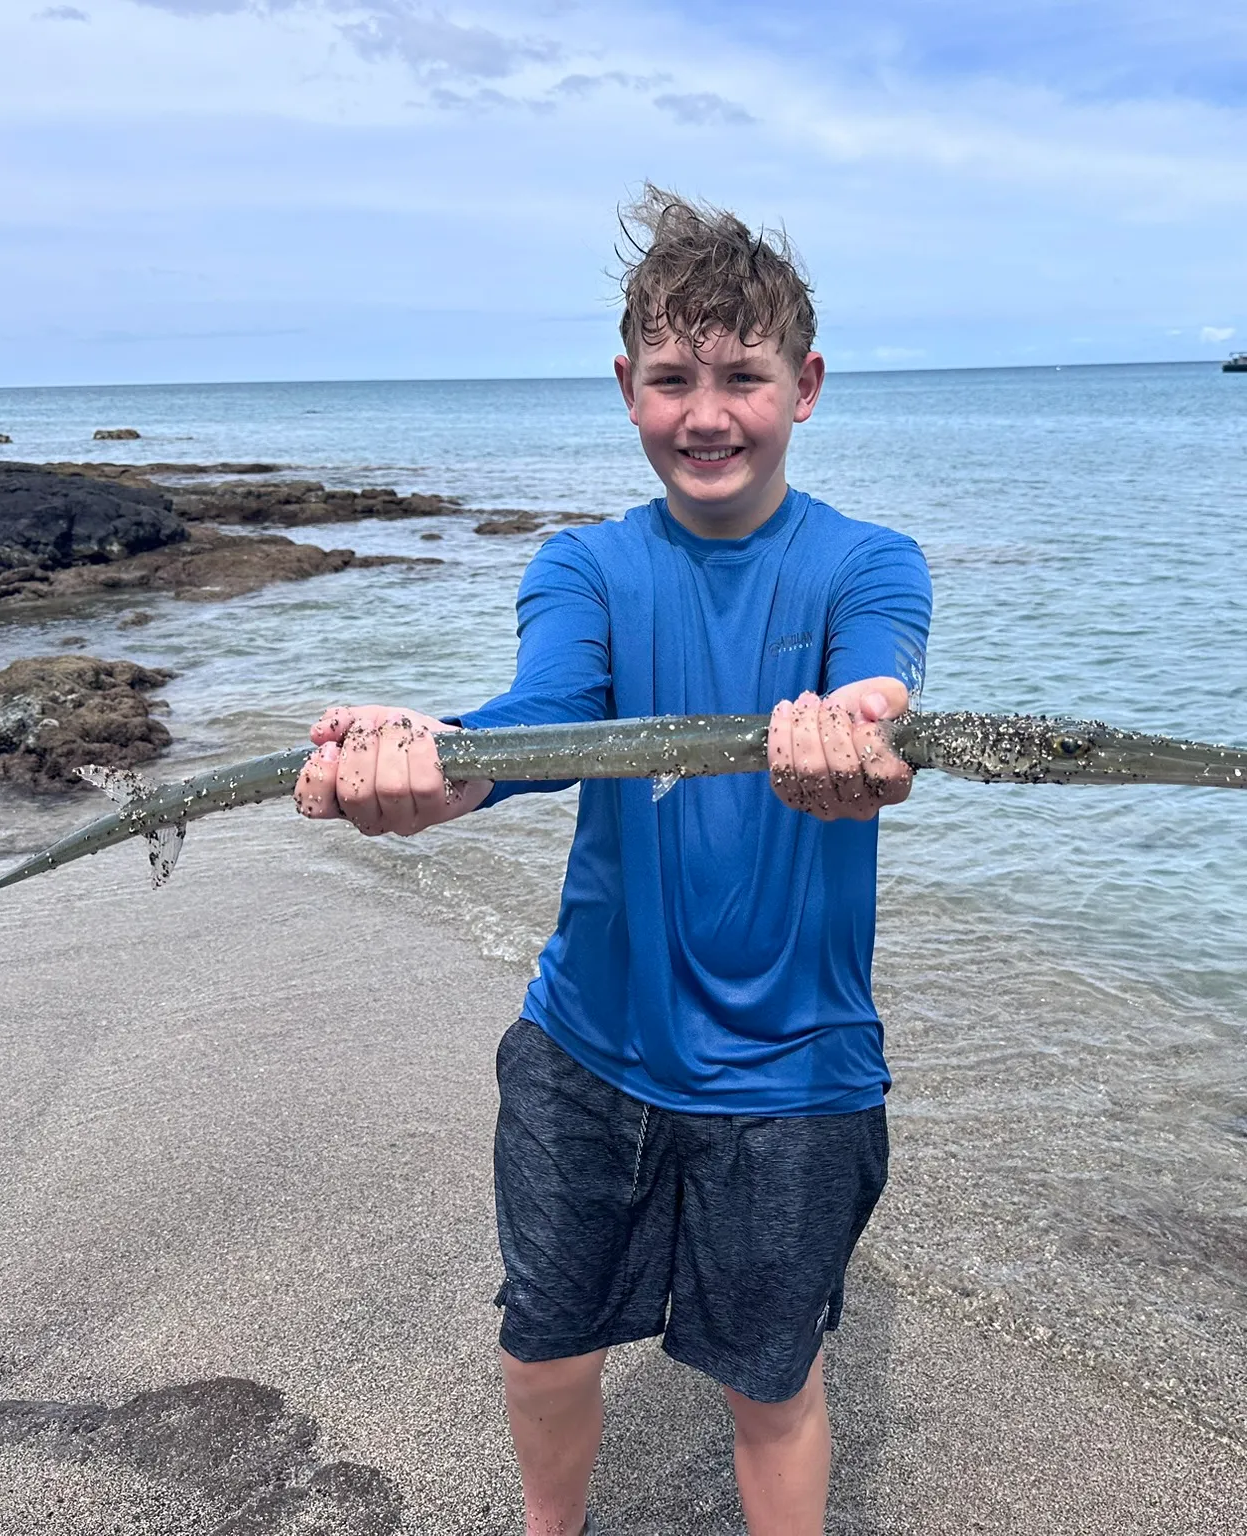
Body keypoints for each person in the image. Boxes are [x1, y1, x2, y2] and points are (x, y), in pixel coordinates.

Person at [293, 186, 933, 1536]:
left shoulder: (869, 564)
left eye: (743, 377)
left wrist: (861, 728)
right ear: (626, 388)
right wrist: (435, 763)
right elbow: (545, 719)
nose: (708, 413)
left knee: (771, 1384)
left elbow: (880, 688)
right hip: (584, 1048)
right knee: (545, 1342)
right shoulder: (581, 568)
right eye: (672, 378)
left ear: (806, 386)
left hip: (798, 1075)